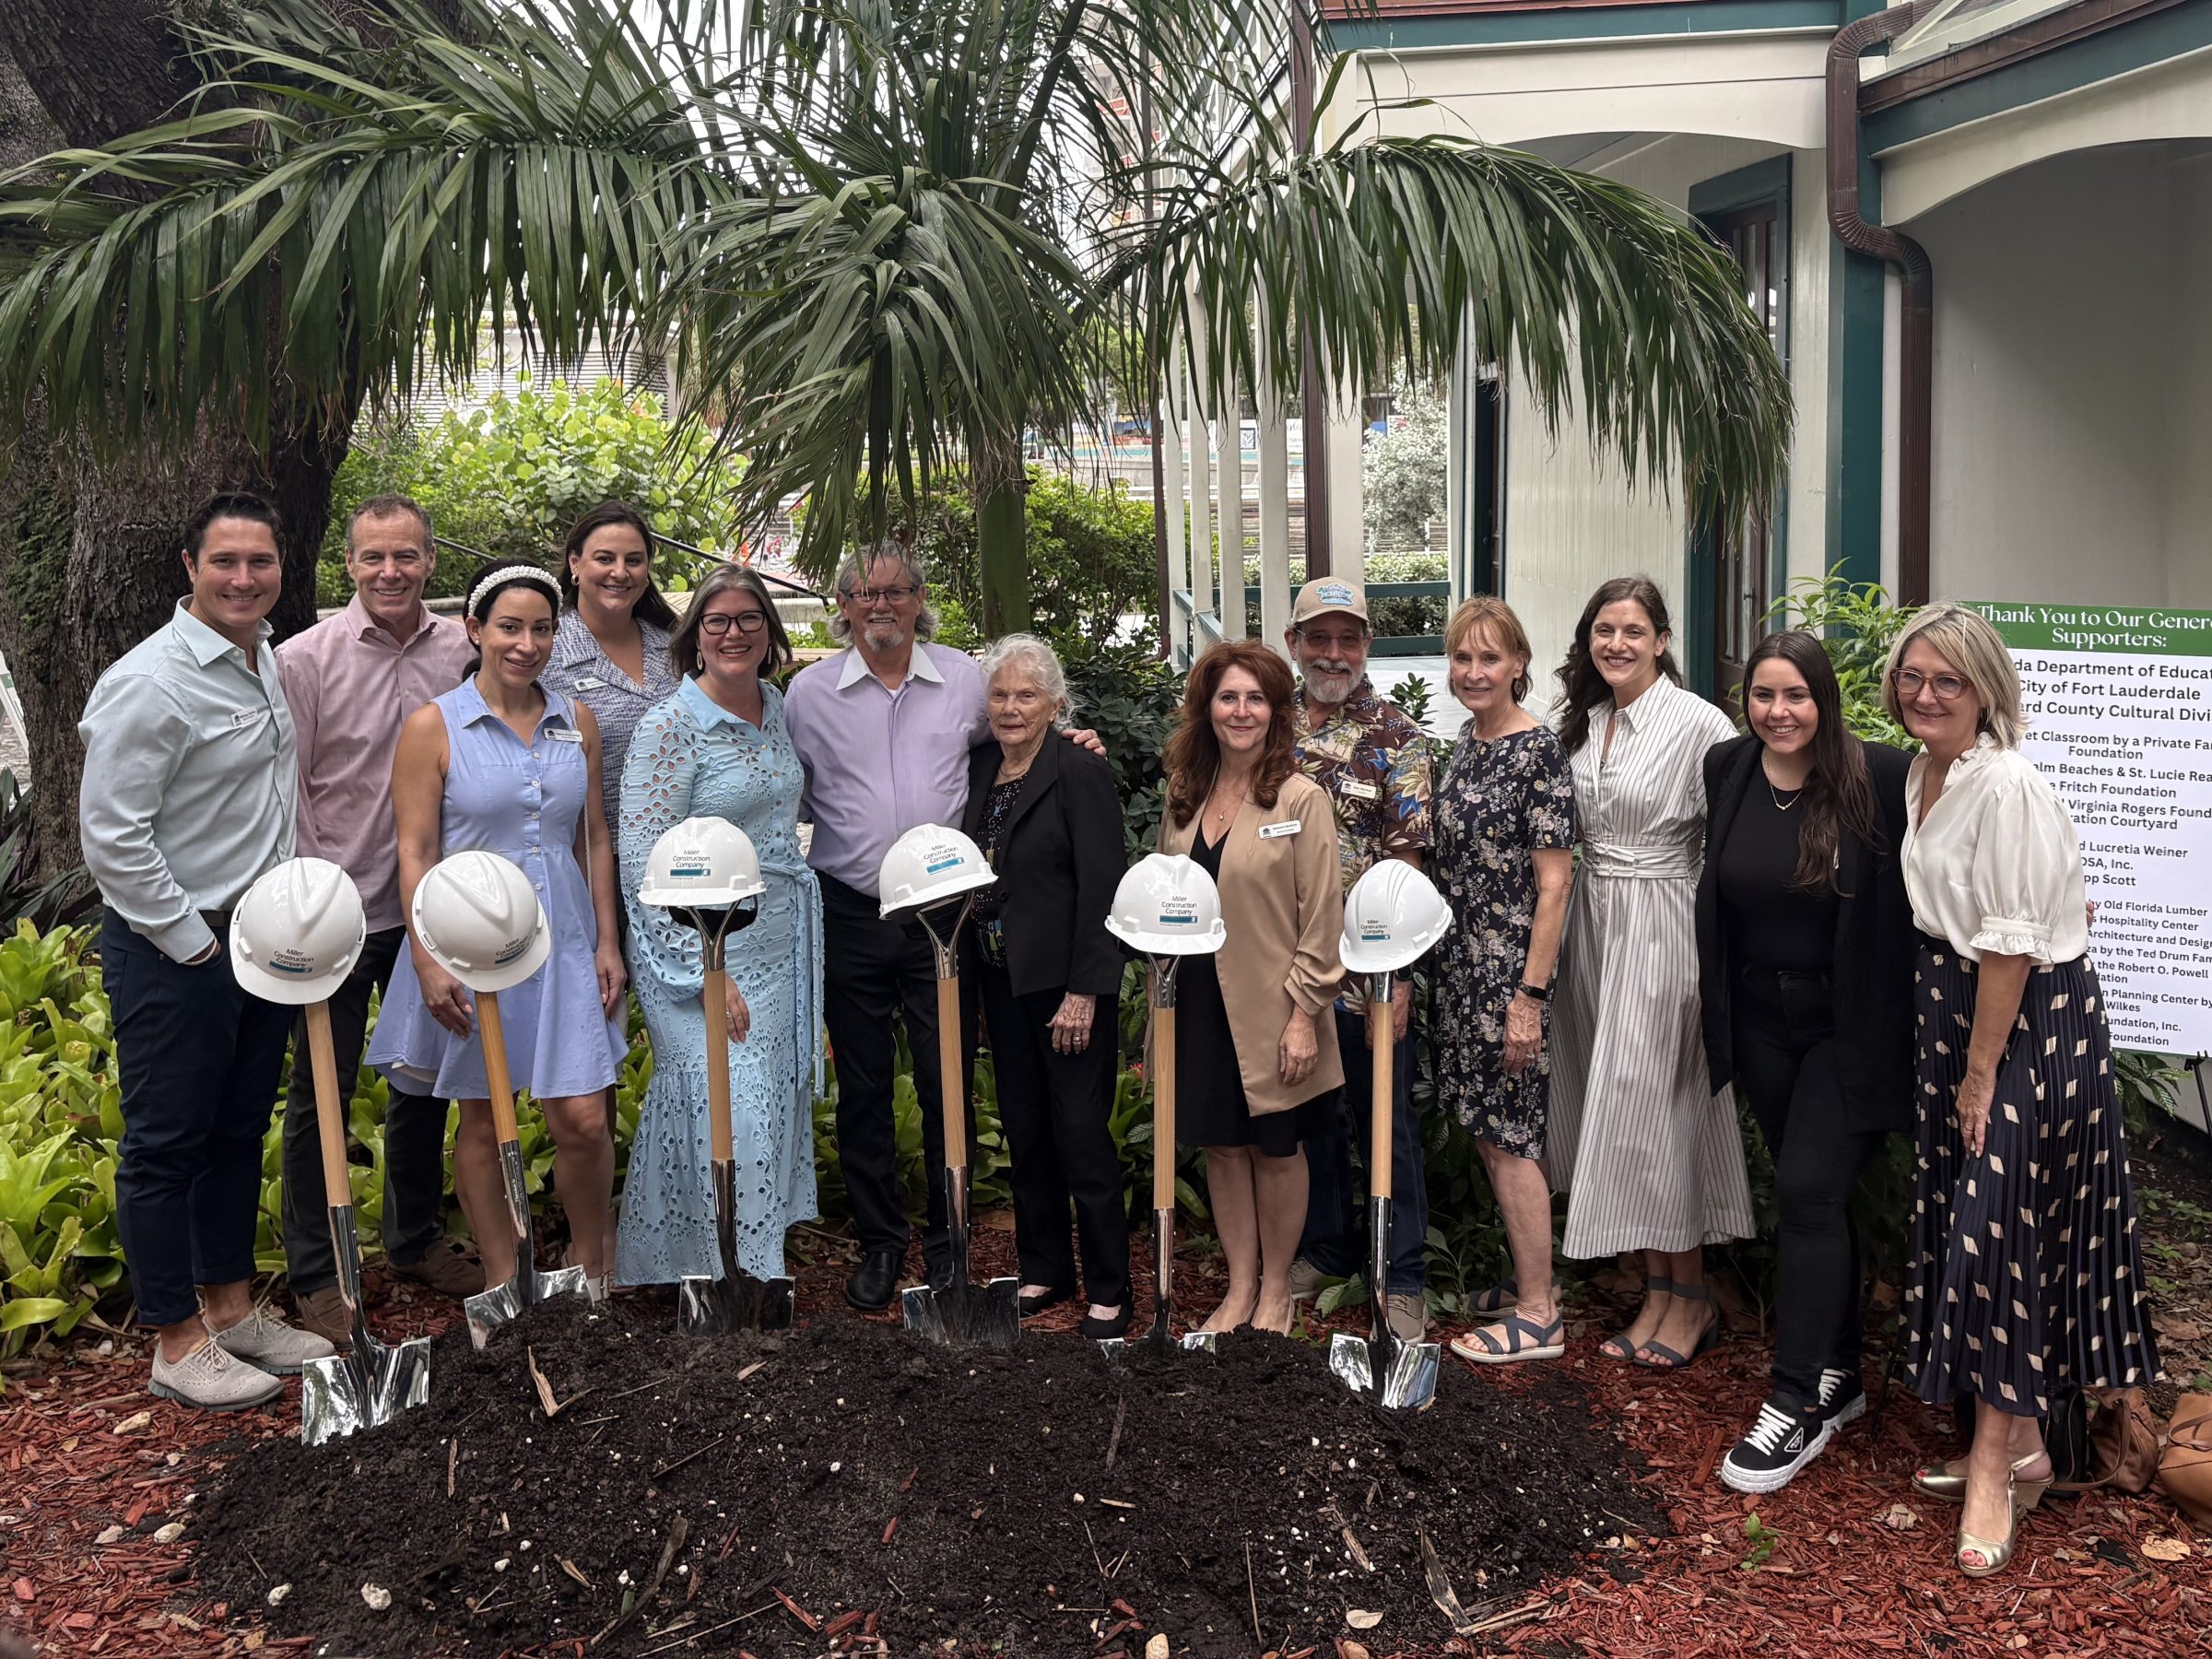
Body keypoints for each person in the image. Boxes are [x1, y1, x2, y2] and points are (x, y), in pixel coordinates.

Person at [1887, 602, 2159, 1577]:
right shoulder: (1924, 772)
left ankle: (2001, 1462)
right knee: (1975, 1222)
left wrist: (1979, 1068)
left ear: (1986, 689)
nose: (1926, 694)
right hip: (1953, 1011)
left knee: (2004, 1232)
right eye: (1913, 676)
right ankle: (2020, 1438)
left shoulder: (2008, 785)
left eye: (1948, 680)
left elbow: (2010, 942)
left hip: (2025, 1024)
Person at [783, 544, 1099, 1312]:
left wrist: (1075, 743)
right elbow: (786, 790)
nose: (881, 605)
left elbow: (1020, 745)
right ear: (844, 604)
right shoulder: (807, 694)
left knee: (945, 1081)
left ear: (920, 599)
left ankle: (947, 1244)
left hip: (943, 923)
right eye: (864, 593)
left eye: (896, 591)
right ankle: (882, 1244)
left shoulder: (963, 680)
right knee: (861, 1088)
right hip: (852, 909)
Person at [78, 490, 334, 1409]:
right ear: (190, 568)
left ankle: (231, 1312)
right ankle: (176, 1340)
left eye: (259, 563)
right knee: (166, 1143)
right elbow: (111, 835)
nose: (243, 578)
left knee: (236, 1130)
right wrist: (192, 944)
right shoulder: (151, 681)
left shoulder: (262, 656)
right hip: (175, 946)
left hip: (260, 937)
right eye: (224, 562)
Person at [368, 562, 630, 1290]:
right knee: (483, 1120)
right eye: (509, 627)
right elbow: (415, 848)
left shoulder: (576, 721)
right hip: (472, 944)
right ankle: (503, 1278)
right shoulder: (433, 726)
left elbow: (595, 835)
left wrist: (608, 942)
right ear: (475, 629)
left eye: (542, 628)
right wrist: (426, 958)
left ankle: (589, 1268)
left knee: (581, 1117)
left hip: (567, 940)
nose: (526, 644)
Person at [1695, 631, 1913, 1490]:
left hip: (1846, 1026)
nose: (1779, 713)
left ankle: (1795, 1404)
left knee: (1809, 1190)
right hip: (1759, 1021)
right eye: (1762, 696)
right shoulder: (1729, 770)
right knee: (1811, 1188)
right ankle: (1843, 1372)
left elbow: (1946, 856)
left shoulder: (1879, 776)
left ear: (1825, 698)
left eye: (1796, 696)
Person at [273, 495, 482, 1346]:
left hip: (429, 908)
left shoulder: (464, 650)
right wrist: (314, 899)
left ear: (430, 561)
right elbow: (286, 790)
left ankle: (414, 1239)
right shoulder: (305, 661)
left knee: (423, 1078)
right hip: (339, 907)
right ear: (348, 566)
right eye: (373, 559)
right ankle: (317, 1274)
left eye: (406, 557)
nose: (390, 572)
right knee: (317, 1087)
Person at [1547, 575, 1751, 1368]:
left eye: (1634, 631)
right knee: (1622, 1109)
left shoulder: (1701, 724)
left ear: (1662, 640)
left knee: (1666, 1107)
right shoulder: (1589, 721)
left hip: (1665, 924)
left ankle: (1691, 1297)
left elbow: (1729, 841)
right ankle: (1659, 1291)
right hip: (1595, 925)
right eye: (1604, 630)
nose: (1617, 645)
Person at [615, 564, 822, 1285]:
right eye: (717, 621)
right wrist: (706, 971)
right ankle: (728, 1273)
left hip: (781, 936)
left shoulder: (776, 703)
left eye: (749, 619)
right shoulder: (669, 726)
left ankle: (747, 1262)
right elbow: (641, 866)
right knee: (728, 1101)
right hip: (698, 948)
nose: (734, 633)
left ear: (770, 633)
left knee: (767, 1100)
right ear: (694, 637)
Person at [1158, 640, 1346, 1335]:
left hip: (1274, 1009)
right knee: (1222, 1148)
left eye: (1256, 698)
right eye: (1228, 697)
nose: (1242, 711)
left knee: (1275, 1149)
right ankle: (1238, 1290)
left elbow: (1323, 920)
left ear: (1277, 712)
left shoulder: (1302, 799)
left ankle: (1275, 1293)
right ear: (1207, 708)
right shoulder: (1183, 801)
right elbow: (1162, 907)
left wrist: (1303, 1016)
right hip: (1200, 1005)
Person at [1277, 578, 1434, 1342]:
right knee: (1314, 1118)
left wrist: (1398, 980)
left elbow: (1406, 861)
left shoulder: (1397, 737)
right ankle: (1331, 1246)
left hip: (1369, 970)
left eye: (1348, 639)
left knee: (1385, 1119)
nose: (1332, 653)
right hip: (1289, 966)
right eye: (1318, 638)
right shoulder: (1267, 728)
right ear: (1293, 643)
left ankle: (1400, 1275)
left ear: (1367, 646)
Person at [960, 634, 1129, 1338]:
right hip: (1003, 980)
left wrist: (1085, 990)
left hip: (1067, 990)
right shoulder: (979, 770)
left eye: (1026, 695)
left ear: (1056, 704)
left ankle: (1111, 1288)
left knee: (1081, 1134)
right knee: (1026, 1130)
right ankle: (1046, 1267)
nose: (1010, 707)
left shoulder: (1079, 773)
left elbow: (1103, 888)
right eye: (999, 694)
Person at [1427, 598, 1577, 1366]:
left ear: (1519, 663)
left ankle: (1539, 1315)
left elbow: (1555, 885)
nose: (1475, 672)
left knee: (1512, 1137)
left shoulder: (1536, 753)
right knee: (1489, 1134)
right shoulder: (1466, 743)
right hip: (1462, 970)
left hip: (1509, 975)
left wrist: (1529, 998)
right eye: (1462, 658)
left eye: (1490, 658)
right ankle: (1529, 1277)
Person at [542, 500, 684, 832]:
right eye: (605, 559)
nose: (620, 572)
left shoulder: (676, 648)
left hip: (681, 855)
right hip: (590, 856)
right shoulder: (546, 653)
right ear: (575, 564)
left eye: (633, 560)